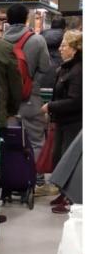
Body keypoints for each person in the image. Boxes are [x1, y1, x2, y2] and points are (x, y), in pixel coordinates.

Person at [3, 3, 51, 159]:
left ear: (7, 20)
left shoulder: (0, 41)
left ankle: (10, 179)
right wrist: (31, 84)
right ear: (26, 19)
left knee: (7, 140)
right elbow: (45, 67)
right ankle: (37, 179)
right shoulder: (37, 40)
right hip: (30, 98)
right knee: (36, 140)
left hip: (7, 101)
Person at [42, 30, 82, 214]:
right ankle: (64, 193)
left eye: (64, 45)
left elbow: (75, 101)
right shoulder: (66, 67)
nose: (60, 48)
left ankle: (70, 198)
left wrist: (51, 106)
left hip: (73, 123)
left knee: (70, 160)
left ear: (74, 49)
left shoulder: (78, 71)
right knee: (60, 158)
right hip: (63, 121)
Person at [38, 16, 66, 90]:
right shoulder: (66, 36)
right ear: (64, 25)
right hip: (58, 73)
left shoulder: (42, 34)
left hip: (41, 74)